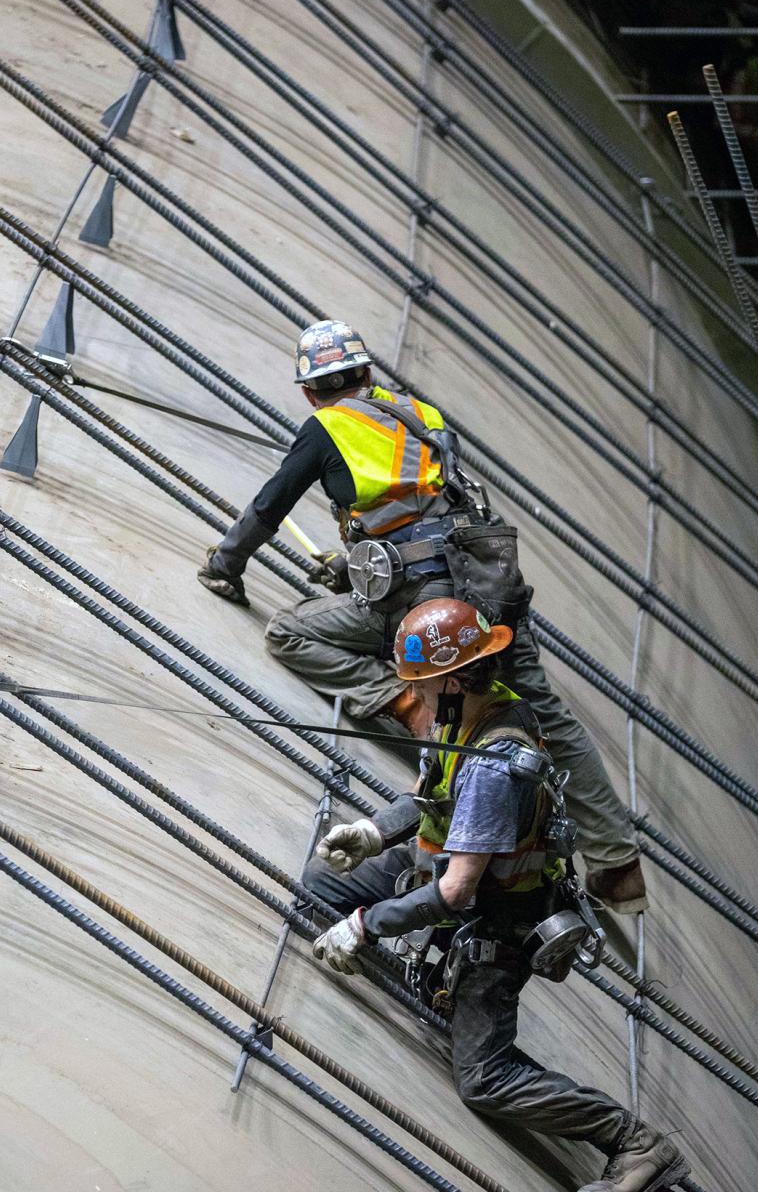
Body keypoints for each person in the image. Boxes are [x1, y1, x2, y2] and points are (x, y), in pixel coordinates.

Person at [199, 319, 646, 913]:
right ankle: (617, 865)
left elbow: (267, 508)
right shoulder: (421, 415)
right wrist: (356, 565)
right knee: (546, 714)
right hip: (486, 584)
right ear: (367, 374)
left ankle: (416, 708)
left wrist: (224, 566)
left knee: (291, 632)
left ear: (310, 392)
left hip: (423, 606)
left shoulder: (325, 427)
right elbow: (424, 513)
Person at [305, 597, 688, 1192]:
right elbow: (429, 793)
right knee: (319, 886)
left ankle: (633, 1140)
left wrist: (366, 927)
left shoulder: (495, 764)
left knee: (483, 1079)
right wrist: (376, 832)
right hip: (436, 873)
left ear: (453, 680)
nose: (416, 697)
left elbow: (457, 892)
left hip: (493, 923)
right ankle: (415, 959)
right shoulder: (467, 712)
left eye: (423, 685)